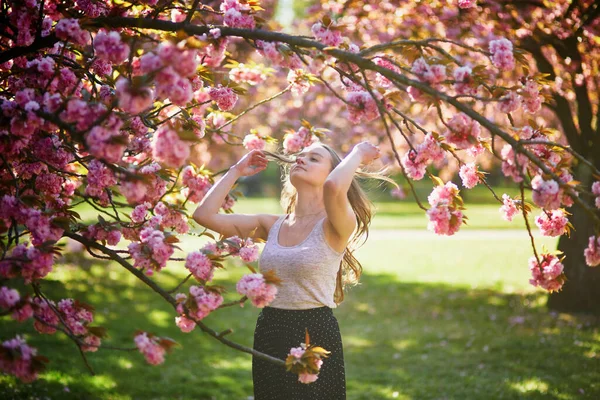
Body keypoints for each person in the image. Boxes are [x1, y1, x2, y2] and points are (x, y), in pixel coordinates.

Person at [192, 140, 397, 399]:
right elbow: (204, 216)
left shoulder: (337, 224)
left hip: (314, 333)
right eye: (301, 156)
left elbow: (334, 188)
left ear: (332, 171)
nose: (301, 159)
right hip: (269, 330)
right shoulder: (271, 225)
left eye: (314, 158)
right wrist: (235, 171)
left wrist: (357, 153)